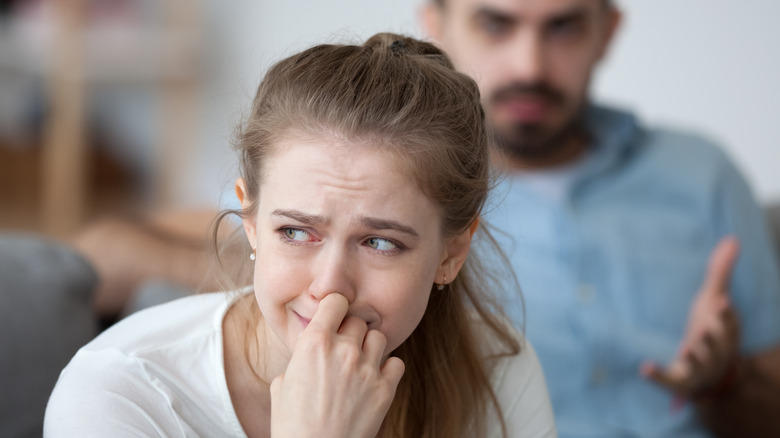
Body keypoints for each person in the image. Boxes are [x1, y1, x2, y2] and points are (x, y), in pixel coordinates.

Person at [44, 33, 557, 437]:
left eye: (381, 243)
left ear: (452, 252)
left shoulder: (497, 368)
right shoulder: (118, 395)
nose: (331, 286)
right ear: (250, 221)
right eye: (295, 232)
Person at [420, 0, 780, 437]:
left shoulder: (703, 173)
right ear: (435, 26)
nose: (529, 68)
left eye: (563, 28)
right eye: (495, 25)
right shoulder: (404, 201)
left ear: (606, 33)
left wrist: (726, 380)